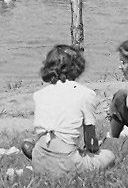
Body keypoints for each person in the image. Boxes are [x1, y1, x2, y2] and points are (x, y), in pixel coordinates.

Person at [21, 44, 116, 175]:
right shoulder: (85, 94)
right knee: (108, 155)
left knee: (44, 142)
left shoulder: (39, 94)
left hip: (39, 159)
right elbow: (91, 143)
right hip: (67, 160)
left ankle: (42, 158)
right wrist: (93, 149)